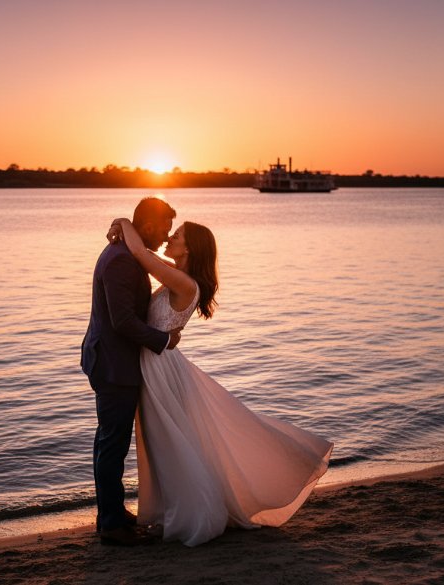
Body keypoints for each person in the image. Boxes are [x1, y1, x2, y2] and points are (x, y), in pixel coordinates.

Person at [107, 216, 333, 547]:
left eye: (178, 235)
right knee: (165, 443)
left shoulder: (187, 284)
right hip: (158, 364)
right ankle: (173, 509)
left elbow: (140, 253)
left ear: (189, 248)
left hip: (160, 369)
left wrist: (123, 220)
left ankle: (192, 514)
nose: (170, 236)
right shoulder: (179, 280)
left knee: (168, 442)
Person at [81, 196, 183, 546]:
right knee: (112, 443)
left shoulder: (129, 252)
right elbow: (122, 321)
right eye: (165, 228)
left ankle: (112, 512)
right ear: (150, 225)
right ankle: (110, 523)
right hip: (113, 363)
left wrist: (122, 221)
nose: (166, 235)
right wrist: (164, 339)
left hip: (113, 360)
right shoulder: (122, 261)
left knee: (110, 441)